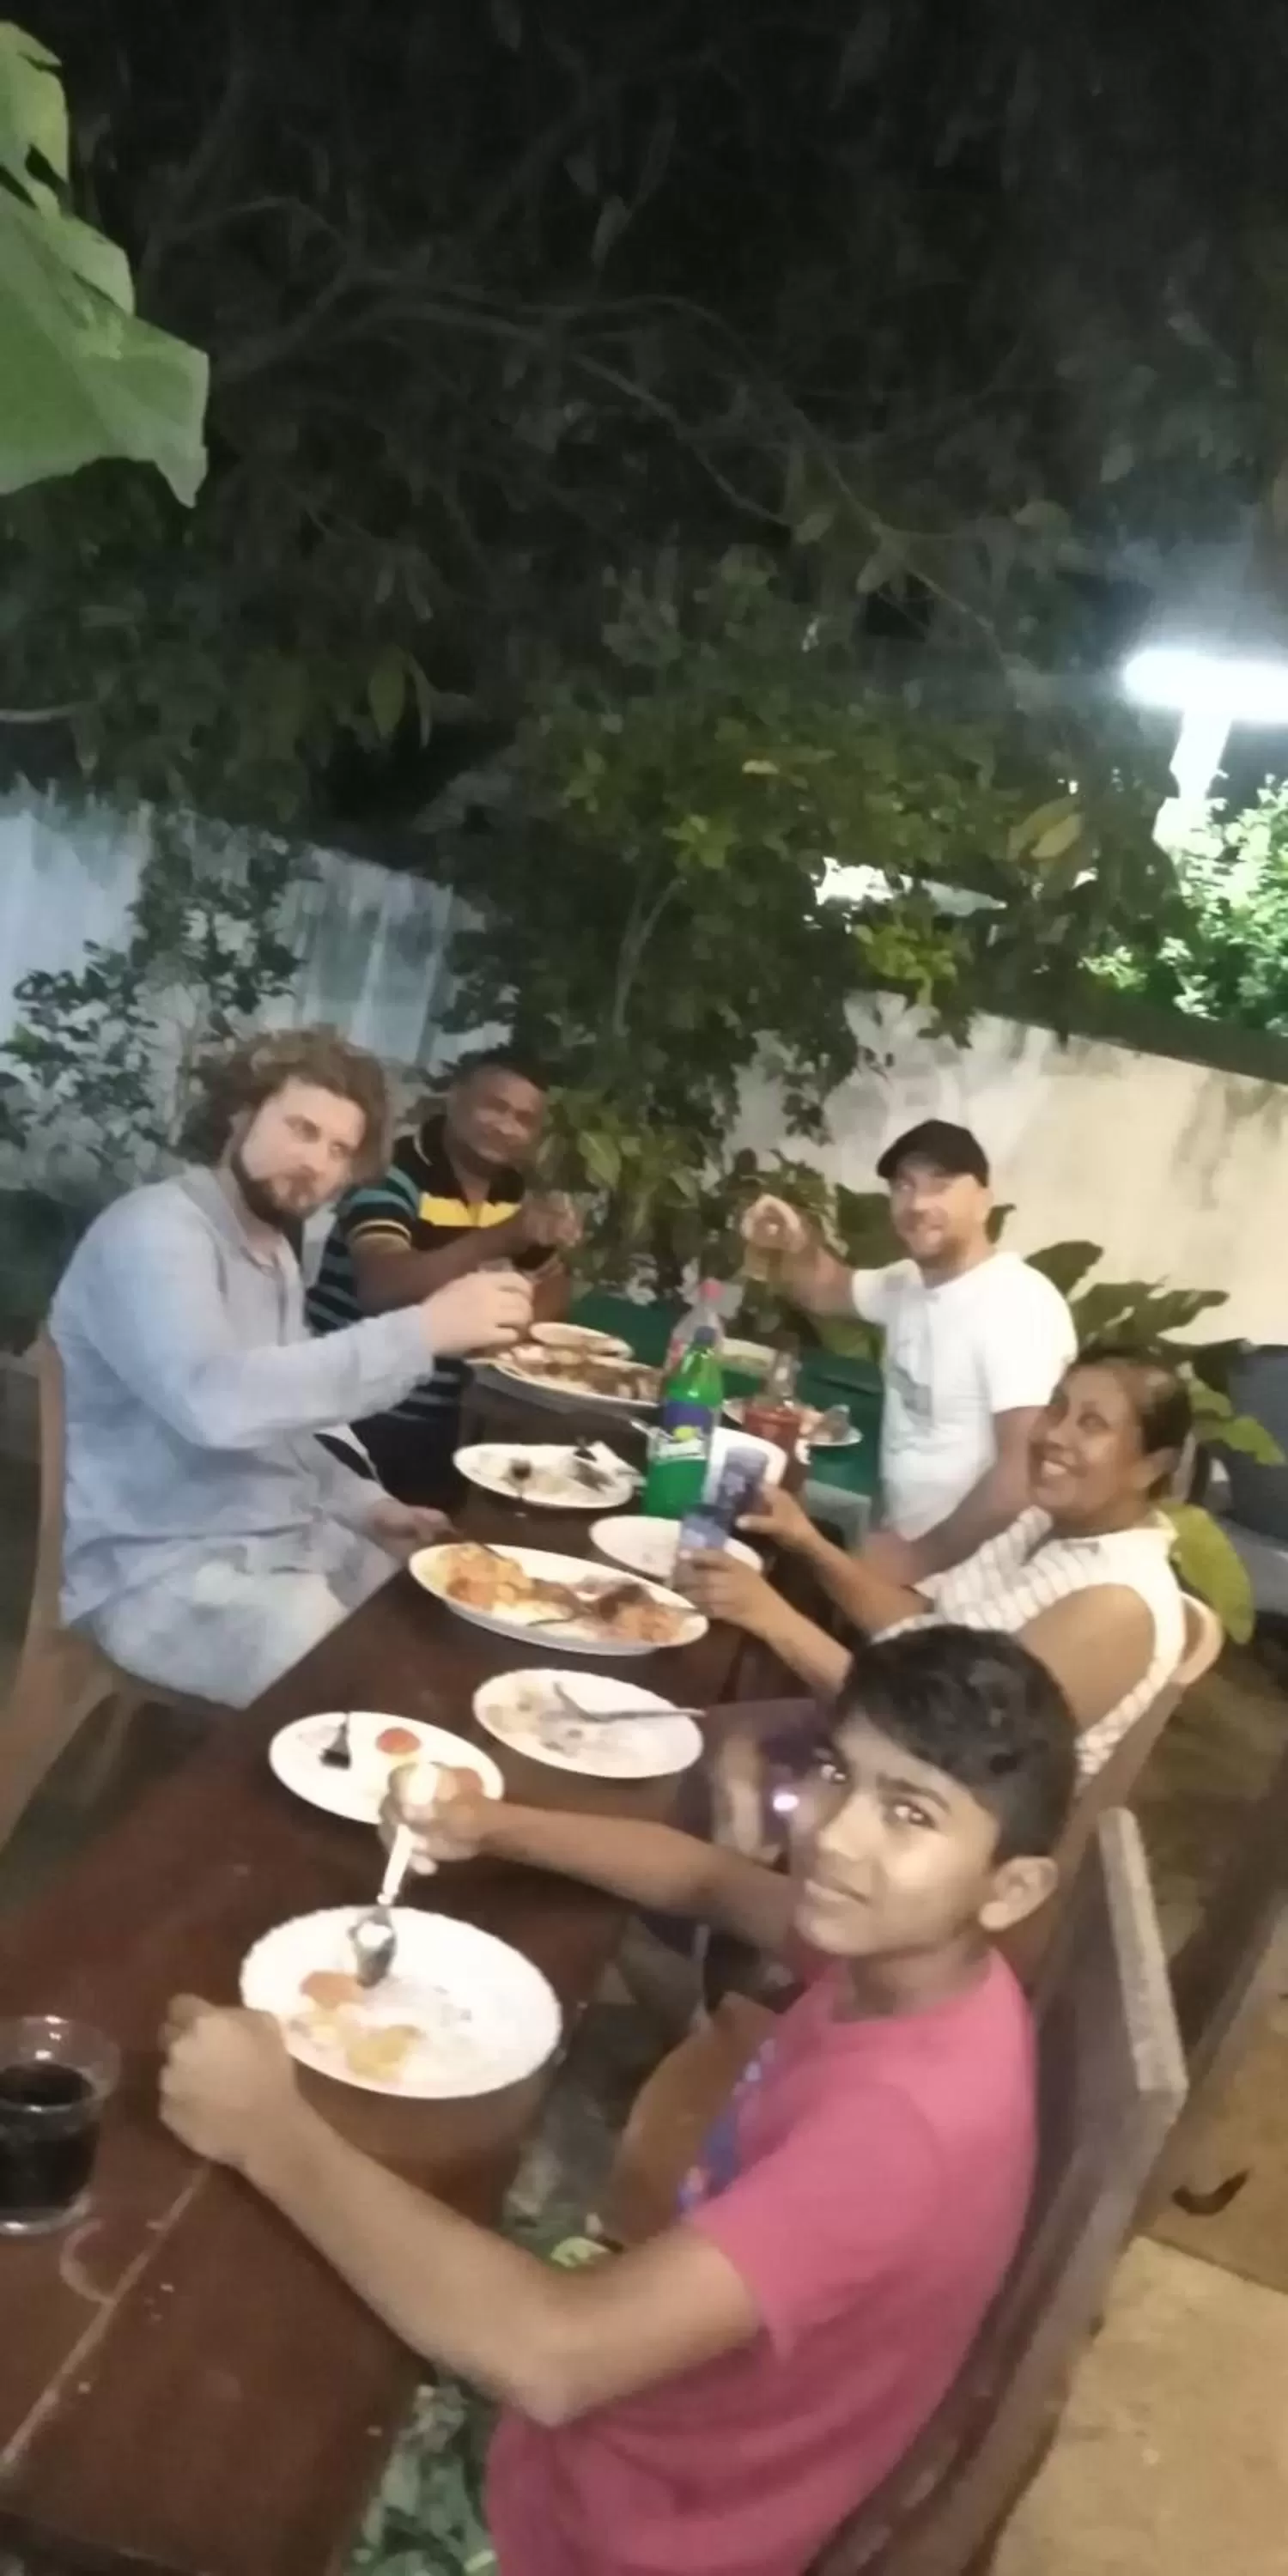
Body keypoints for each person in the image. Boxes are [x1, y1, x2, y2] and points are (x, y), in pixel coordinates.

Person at [159, 1625, 1076, 2576]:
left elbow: (554, 2359)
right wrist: (490, 1823)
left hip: (602, 2528)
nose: (836, 1835)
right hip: (651, 2398)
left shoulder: (901, 2130)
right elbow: (708, 1879)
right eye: (841, 1775)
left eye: (911, 1813)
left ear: (1012, 1888)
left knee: (196, 2406)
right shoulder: (916, 1965)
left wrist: (268, 2132)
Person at [51, 1028, 533, 1708]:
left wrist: (371, 1508)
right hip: (158, 1569)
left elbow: (291, 1427)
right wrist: (422, 1331)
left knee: (436, 1617)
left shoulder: (272, 1252)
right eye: (301, 1129)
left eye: (338, 1150)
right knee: (356, 1686)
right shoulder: (156, 1232)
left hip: (282, 1542)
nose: (316, 1164)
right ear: (240, 1114)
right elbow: (212, 1403)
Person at [683, 1347, 1194, 1779]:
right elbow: (923, 1625)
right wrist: (806, 1540)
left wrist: (774, 1619)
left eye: (1092, 1424)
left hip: (939, 1814)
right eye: (1056, 1407)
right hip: (894, 1750)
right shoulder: (1046, 1522)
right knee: (702, 1725)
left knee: (702, 1752)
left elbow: (948, 1743)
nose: (1054, 1436)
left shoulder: (1117, 1604)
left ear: (1151, 1467)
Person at [742, 1120, 1075, 1581]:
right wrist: (796, 1240)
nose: (917, 1204)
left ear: (983, 1201)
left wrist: (917, 1558)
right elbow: (825, 1288)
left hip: (970, 1574)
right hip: (902, 1539)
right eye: (904, 1186)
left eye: (940, 1185)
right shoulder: (908, 1282)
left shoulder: (1018, 1304)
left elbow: (1023, 1468)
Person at [308, 1051, 580, 1505]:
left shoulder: (510, 1189)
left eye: (524, 1119)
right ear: (454, 1099)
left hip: (443, 1420)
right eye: (494, 1107)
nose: (507, 1127)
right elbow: (382, 1287)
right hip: (348, 1413)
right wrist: (500, 1237)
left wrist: (511, 1328)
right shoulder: (391, 1173)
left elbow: (555, 1285)